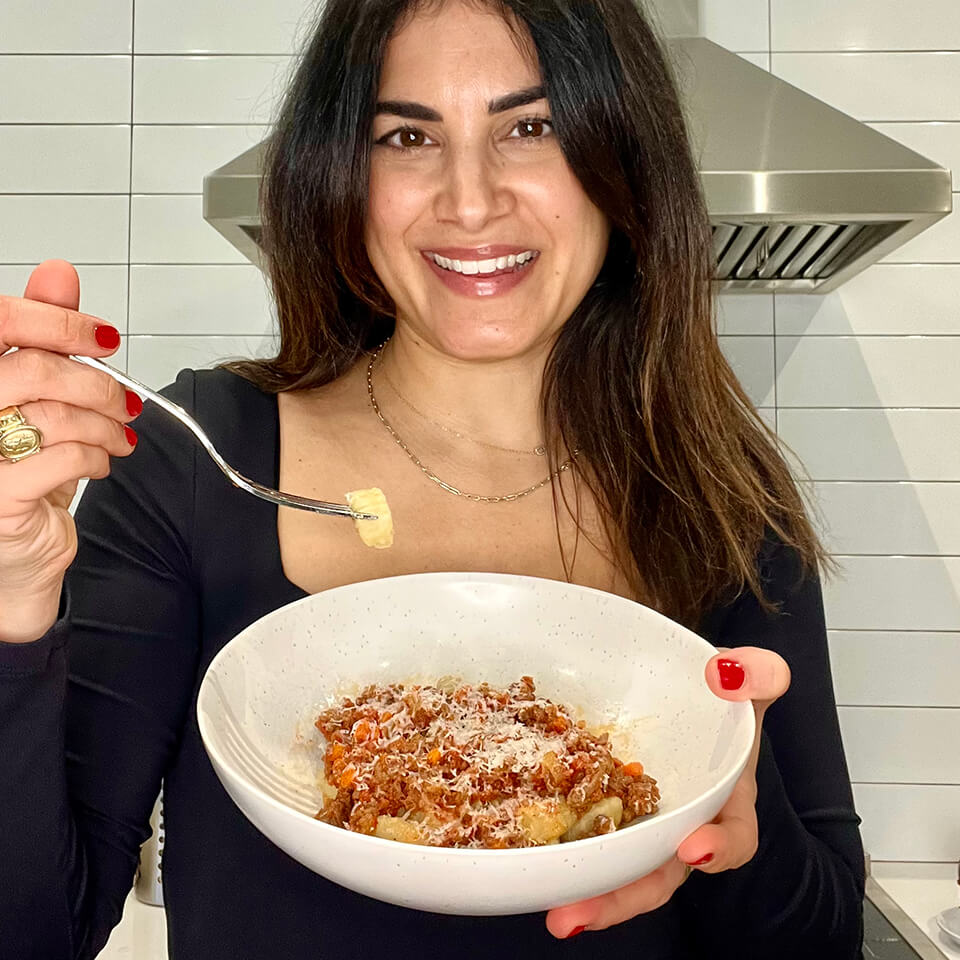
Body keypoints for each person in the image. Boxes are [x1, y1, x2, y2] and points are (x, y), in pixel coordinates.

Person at [0, 0, 865, 956]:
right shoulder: (198, 462)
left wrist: (742, 819)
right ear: (343, 178)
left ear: (622, 164)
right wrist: (8, 603)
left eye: (531, 127)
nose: (471, 199)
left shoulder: (724, 498)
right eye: (408, 135)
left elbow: (818, 935)